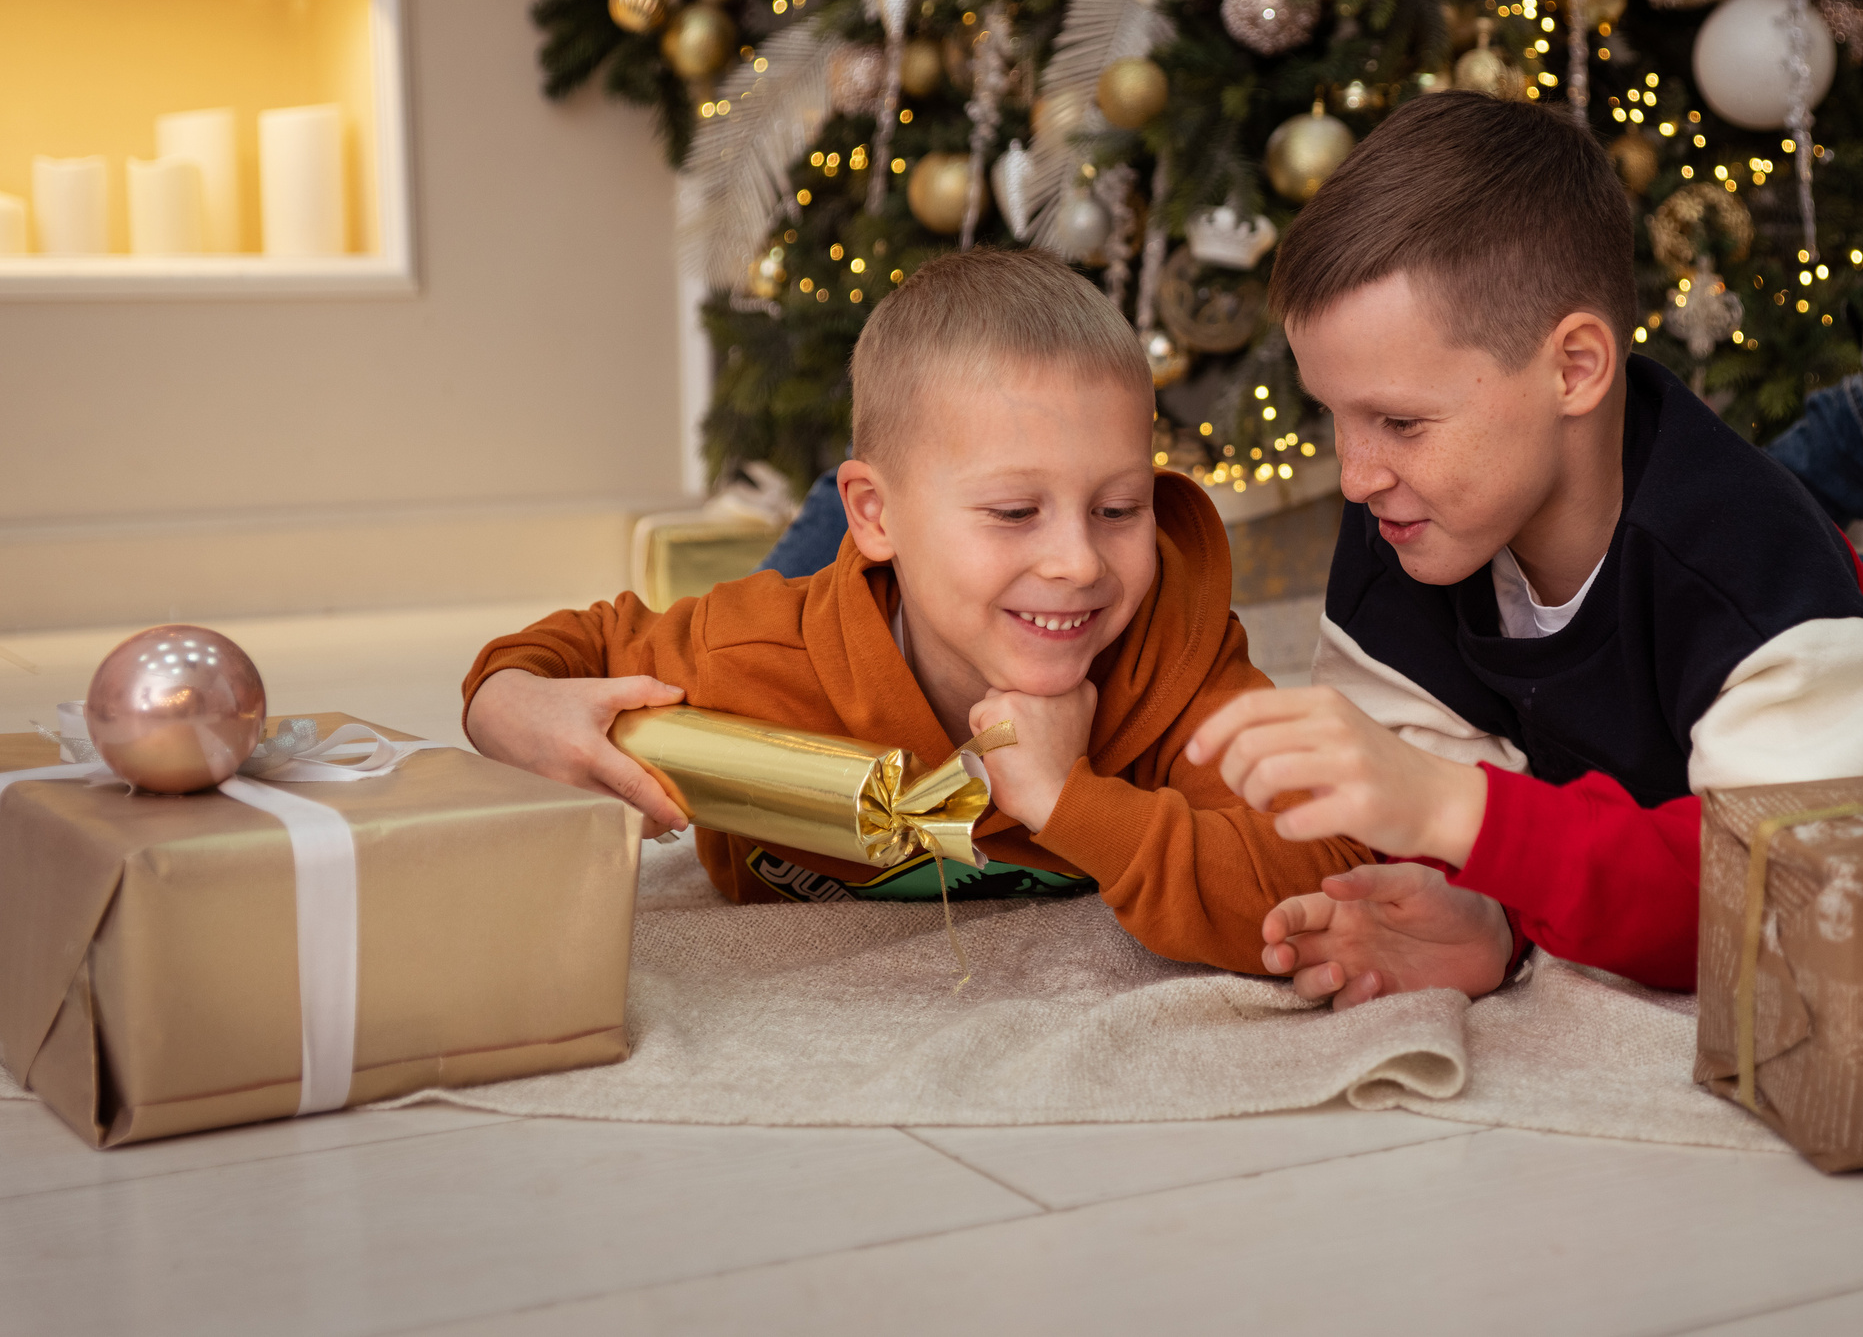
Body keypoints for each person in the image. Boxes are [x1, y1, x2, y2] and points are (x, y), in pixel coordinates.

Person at [1185, 91, 1863, 1004]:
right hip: (1726, 587)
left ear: (1574, 367)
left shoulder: (1758, 595)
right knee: (1702, 529)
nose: (1354, 476)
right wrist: (1491, 918)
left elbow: (1778, 901)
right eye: (1335, 417)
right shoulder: (1412, 528)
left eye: (1398, 421)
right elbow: (1463, 829)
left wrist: (1455, 810)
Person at [462, 248, 1368, 973]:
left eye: (1118, 508)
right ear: (881, 513)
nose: (1079, 561)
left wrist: (1069, 801)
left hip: (911, 563)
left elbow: (1325, 883)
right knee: (805, 572)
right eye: (1016, 511)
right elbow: (566, 649)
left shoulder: (1173, 656)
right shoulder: (753, 652)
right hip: (844, 595)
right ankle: (835, 516)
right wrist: (501, 699)